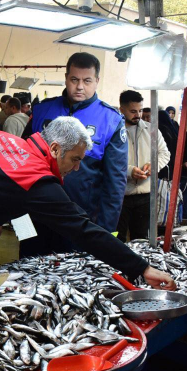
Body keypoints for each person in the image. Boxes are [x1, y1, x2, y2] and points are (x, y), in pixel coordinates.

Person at [0, 117, 176, 292]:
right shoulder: (37, 179)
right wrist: (141, 267)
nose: (76, 168)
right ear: (54, 148)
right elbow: (83, 230)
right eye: (74, 159)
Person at [21, 53, 127, 256]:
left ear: (96, 81)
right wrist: (18, 223)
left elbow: (115, 184)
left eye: (87, 81)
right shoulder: (42, 110)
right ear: (66, 78)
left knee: (72, 276)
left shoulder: (110, 120)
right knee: (27, 269)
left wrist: (103, 235)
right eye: (74, 80)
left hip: (78, 223)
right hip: (34, 218)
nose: (80, 86)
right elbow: (21, 164)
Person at [116, 91, 170, 241]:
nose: (138, 115)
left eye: (140, 110)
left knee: (140, 238)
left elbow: (165, 154)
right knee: (116, 236)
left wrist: (154, 165)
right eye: (133, 111)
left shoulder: (152, 130)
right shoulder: (113, 130)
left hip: (146, 195)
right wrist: (129, 171)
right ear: (122, 109)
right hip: (120, 195)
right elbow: (107, 160)